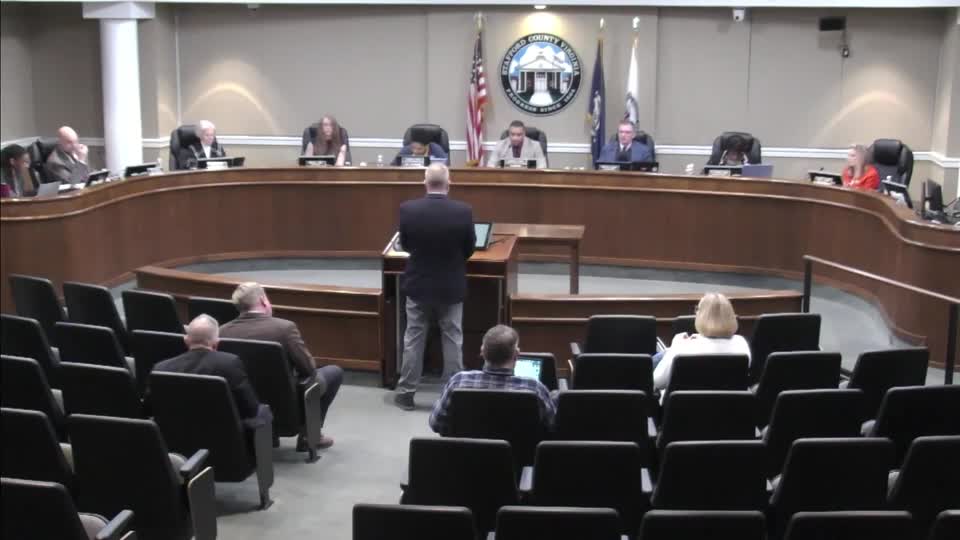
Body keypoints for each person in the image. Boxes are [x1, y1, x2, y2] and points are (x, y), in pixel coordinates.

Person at [220, 281, 343, 449]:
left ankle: (270, 434)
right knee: (333, 372)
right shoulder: (284, 328)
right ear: (263, 301)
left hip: (245, 401)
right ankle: (310, 435)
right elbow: (308, 368)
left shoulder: (222, 332)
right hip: (287, 402)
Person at [393, 164, 475, 410]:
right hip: (450, 286)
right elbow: (469, 248)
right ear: (449, 183)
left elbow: (406, 245)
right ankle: (455, 395)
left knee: (413, 338)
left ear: (425, 182)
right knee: (452, 339)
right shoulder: (463, 211)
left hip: (418, 285)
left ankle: (406, 392)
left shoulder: (408, 209)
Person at [429, 324, 557, 435]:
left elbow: (436, 424)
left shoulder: (458, 381)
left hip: (467, 454)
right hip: (520, 455)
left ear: (482, 351)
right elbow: (553, 427)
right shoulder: (534, 387)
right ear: (516, 354)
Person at [152, 314, 272, 425]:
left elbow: (150, 409)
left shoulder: (161, 368)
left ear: (186, 340)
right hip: (222, 435)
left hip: (174, 435)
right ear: (216, 343)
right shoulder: (230, 363)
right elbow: (250, 409)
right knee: (263, 412)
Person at [653, 293, 751, 398]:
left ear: (701, 315)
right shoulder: (741, 343)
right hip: (729, 405)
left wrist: (675, 347)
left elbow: (658, 381)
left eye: (697, 309)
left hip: (684, 405)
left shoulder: (683, 347)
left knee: (661, 356)